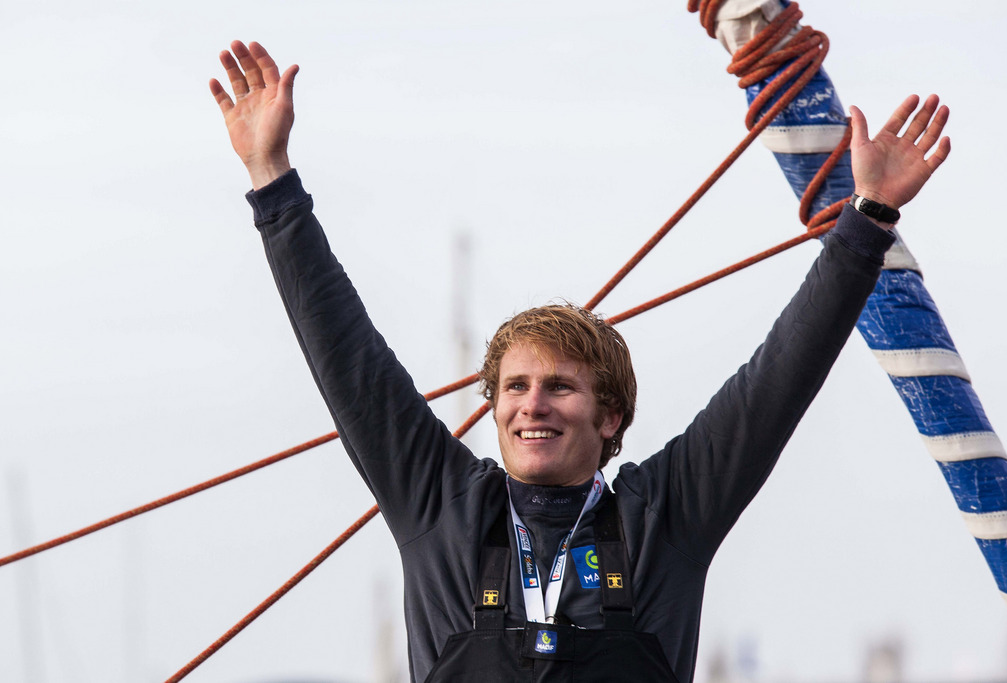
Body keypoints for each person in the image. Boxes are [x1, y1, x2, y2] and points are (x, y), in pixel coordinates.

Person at [210, 40, 949, 683]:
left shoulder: (667, 517)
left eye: (560, 386)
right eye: (516, 387)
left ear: (611, 414)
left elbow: (777, 380)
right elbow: (350, 360)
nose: (532, 404)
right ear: (494, 406)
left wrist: (869, 217)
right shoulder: (439, 505)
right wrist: (271, 179)